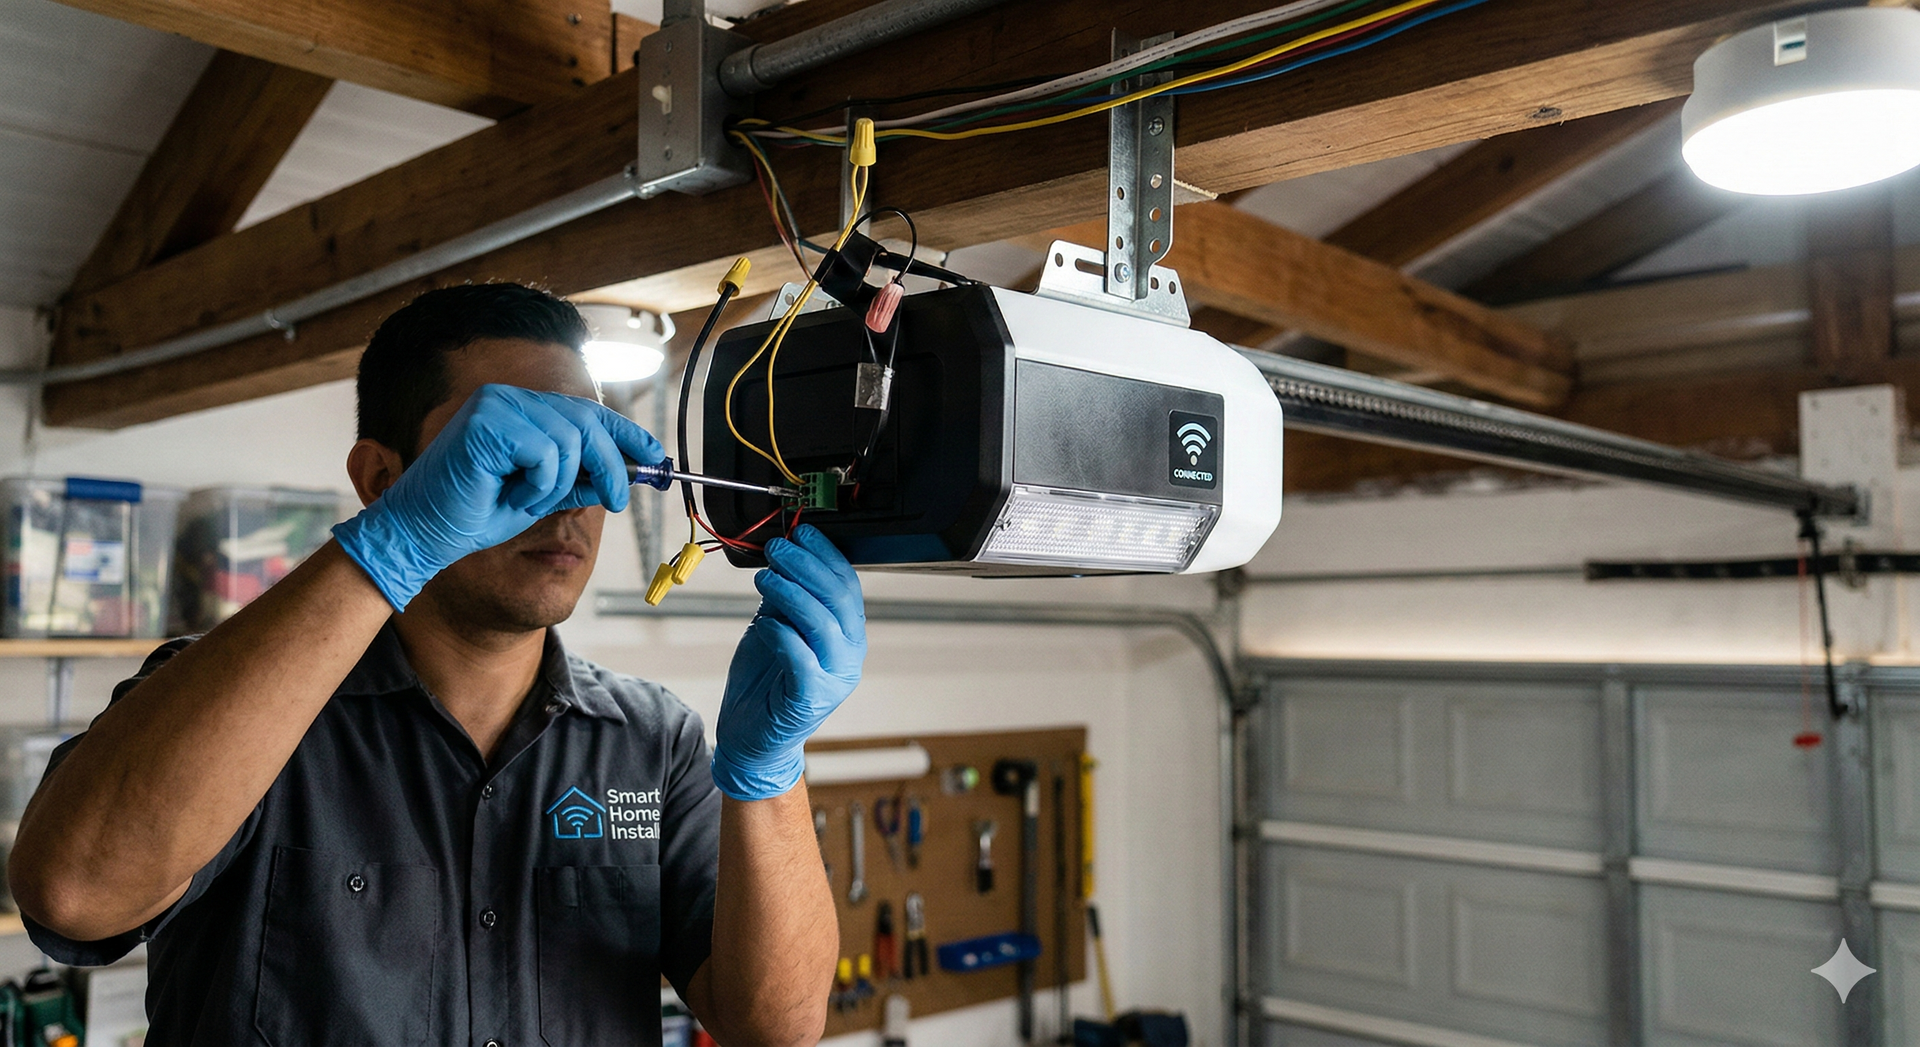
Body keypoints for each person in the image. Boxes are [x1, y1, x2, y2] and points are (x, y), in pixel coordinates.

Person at [7, 283, 862, 1046]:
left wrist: (769, 772)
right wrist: (393, 548)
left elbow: (775, 1025)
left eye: (589, 454)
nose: (571, 496)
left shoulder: (652, 741)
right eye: (522, 454)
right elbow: (74, 894)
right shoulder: (237, 708)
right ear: (384, 477)